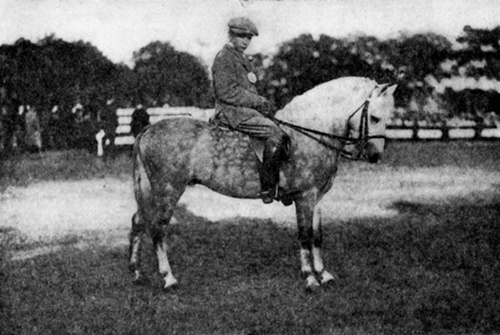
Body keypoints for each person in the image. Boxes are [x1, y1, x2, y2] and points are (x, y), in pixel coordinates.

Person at [211, 17, 289, 204]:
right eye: (241, 36)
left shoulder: (241, 58)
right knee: (273, 132)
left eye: (249, 38)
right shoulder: (224, 58)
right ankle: (269, 187)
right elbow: (226, 92)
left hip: (243, 111)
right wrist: (259, 101)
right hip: (231, 112)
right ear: (230, 35)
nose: (245, 41)